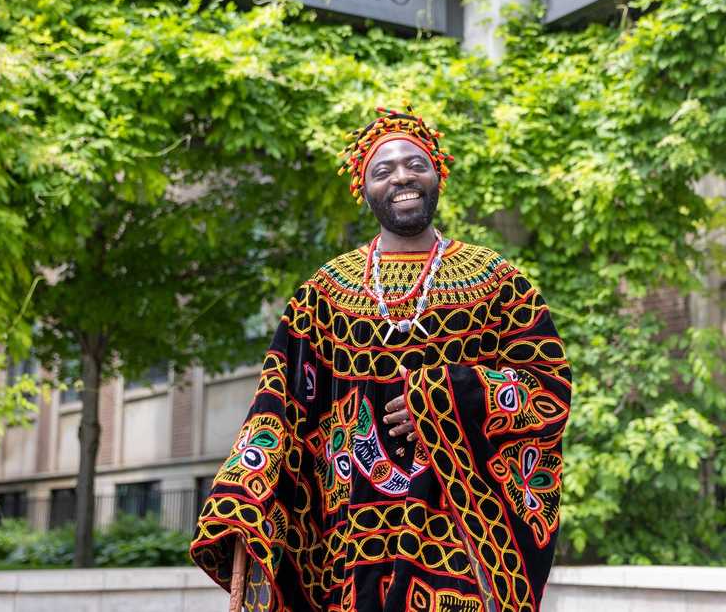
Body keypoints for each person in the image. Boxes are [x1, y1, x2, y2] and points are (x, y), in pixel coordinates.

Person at [190, 106, 571, 612]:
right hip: (350, 544)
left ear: (438, 174)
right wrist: (243, 489)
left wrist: (443, 396)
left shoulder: (496, 280)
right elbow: (280, 405)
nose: (402, 178)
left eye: (416, 165)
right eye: (383, 170)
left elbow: (546, 387)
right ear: (364, 189)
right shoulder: (325, 292)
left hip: (460, 535)